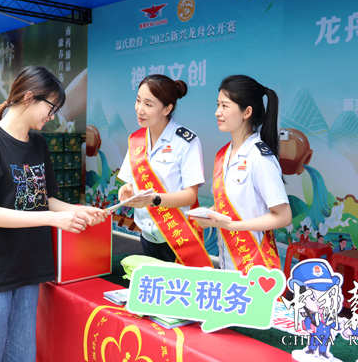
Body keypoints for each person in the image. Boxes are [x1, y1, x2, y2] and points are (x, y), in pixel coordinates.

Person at [0, 66, 106, 361]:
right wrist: (54, 219)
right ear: (28, 97)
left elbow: (44, 199)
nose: (52, 117)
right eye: (51, 108)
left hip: (27, 269)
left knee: (22, 356)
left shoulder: (38, 143)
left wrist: (80, 211)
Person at [191, 75, 291, 274]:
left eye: (225, 106)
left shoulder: (260, 157)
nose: (217, 112)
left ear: (247, 112)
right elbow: (232, 204)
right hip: (227, 261)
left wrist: (233, 225)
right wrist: (209, 214)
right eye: (218, 104)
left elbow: (284, 216)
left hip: (256, 266)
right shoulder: (223, 154)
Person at [117, 74, 212, 267]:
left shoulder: (186, 142)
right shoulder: (135, 139)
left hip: (177, 236)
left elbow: (190, 196)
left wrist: (153, 199)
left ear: (167, 109)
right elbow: (131, 183)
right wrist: (127, 190)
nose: (139, 109)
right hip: (147, 233)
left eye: (148, 104)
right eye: (138, 100)